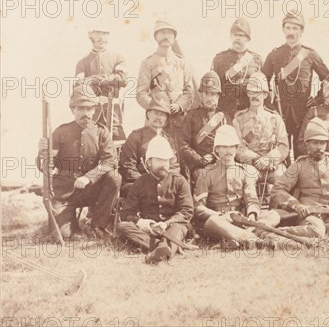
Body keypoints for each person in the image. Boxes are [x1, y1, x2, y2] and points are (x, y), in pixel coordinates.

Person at [37, 86, 120, 239]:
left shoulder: (102, 132)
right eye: (81, 108)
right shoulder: (61, 132)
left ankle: (97, 224)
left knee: (114, 178)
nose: (85, 113)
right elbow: (48, 166)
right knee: (67, 236)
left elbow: (110, 161)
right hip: (65, 192)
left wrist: (88, 177)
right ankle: (70, 223)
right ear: (72, 110)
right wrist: (43, 153)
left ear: (94, 110)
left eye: (89, 109)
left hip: (91, 189)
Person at [193, 125, 280, 247]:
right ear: (216, 149)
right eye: (224, 147)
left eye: (232, 147)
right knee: (214, 221)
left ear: (236, 148)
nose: (228, 151)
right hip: (218, 220)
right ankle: (255, 238)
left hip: (241, 218)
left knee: (273, 215)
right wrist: (220, 215)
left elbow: (251, 199)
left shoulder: (245, 171)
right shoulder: (206, 174)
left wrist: (252, 215)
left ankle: (242, 237)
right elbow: (199, 208)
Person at [270, 118, 329, 238]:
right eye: (315, 143)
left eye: (322, 143)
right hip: (308, 212)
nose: (319, 147)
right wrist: (296, 205)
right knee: (316, 229)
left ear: (327, 144)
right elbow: (278, 189)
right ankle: (275, 232)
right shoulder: (299, 165)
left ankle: (313, 231)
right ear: (307, 145)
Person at [117, 135, 193, 264]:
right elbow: (127, 213)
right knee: (122, 226)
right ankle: (165, 247)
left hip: (173, 226)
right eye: (159, 160)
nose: (164, 164)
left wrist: (167, 223)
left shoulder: (179, 181)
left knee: (180, 227)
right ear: (149, 162)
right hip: (149, 230)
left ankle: (159, 249)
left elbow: (186, 211)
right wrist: (143, 223)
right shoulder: (139, 183)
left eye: (166, 160)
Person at [263, 10, 329, 155]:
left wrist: (318, 99)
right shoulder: (274, 54)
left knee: (303, 151)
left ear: (302, 31)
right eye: (288, 28)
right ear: (283, 29)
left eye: (295, 28)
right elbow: (263, 80)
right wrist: (269, 104)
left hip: (303, 112)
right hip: (280, 112)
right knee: (281, 153)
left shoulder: (310, 54)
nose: (291, 32)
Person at [136, 20, 194, 150]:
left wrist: (179, 105)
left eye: (170, 33)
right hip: (156, 121)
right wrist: (156, 108)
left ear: (174, 38)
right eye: (162, 32)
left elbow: (189, 92)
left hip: (179, 120)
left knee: (181, 156)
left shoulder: (182, 62)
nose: (166, 36)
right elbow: (141, 93)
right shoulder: (148, 63)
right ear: (156, 36)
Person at [232, 71, 289, 203]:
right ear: (247, 94)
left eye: (258, 92)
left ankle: (276, 211)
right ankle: (252, 210)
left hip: (272, 165)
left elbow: (283, 146)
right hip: (250, 164)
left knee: (282, 177)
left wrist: (269, 159)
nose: (254, 96)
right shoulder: (239, 119)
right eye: (251, 92)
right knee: (247, 178)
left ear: (265, 94)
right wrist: (256, 160)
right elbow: (238, 147)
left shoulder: (275, 118)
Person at [118, 91, 179, 195]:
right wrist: (147, 183)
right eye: (155, 113)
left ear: (166, 119)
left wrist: (164, 183)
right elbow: (128, 167)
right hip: (137, 184)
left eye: (162, 115)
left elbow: (174, 167)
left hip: (162, 184)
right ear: (148, 114)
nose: (158, 118)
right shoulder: (135, 136)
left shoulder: (169, 141)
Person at [75, 25, 128, 140]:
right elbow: (79, 86)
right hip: (90, 114)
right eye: (97, 33)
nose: (101, 37)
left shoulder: (118, 58)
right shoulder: (82, 63)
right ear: (90, 35)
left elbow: (122, 80)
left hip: (113, 113)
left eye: (105, 33)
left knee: (119, 144)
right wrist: (109, 79)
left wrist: (94, 79)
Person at [179, 71, 230, 186]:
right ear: (201, 95)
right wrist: (199, 160)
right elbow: (183, 145)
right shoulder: (191, 117)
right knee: (205, 176)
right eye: (206, 94)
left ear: (218, 96)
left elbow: (232, 144)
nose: (209, 98)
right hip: (199, 165)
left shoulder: (224, 117)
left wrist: (216, 156)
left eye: (213, 94)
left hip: (222, 162)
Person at [212, 17, 263, 119]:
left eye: (241, 36)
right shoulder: (219, 59)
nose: (237, 38)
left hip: (248, 112)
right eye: (235, 35)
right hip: (225, 111)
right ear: (230, 36)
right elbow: (212, 88)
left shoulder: (256, 60)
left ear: (248, 38)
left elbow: (263, 89)